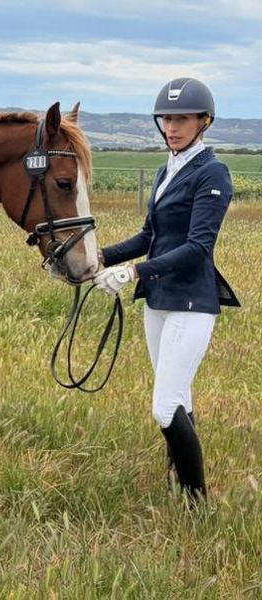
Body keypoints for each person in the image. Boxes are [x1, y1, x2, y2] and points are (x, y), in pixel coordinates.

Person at [92, 77, 240, 502]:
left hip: (191, 303)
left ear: (203, 121)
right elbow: (149, 235)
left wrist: (134, 273)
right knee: (179, 396)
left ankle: (197, 503)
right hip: (157, 302)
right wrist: (99, 258)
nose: (171, 127)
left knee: (164, 406)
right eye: (166, 119)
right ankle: (178, 480)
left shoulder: (212, 172)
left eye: (181, 119)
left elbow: (198, 248)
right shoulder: (166, 169)